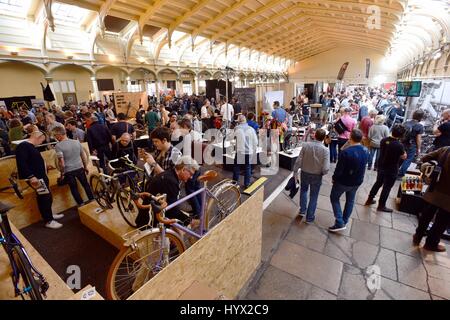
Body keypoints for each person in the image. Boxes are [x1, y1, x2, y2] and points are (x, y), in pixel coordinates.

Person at [15, 130, 63, 229]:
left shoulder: (30, 146)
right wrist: (31, 176)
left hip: (40, 177)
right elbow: (21, 163)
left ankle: (49, 214)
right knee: (44, 197)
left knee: (46, 196)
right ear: (39, 137)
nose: (41, 143)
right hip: (35, 178)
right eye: (42, 140)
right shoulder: (23, 146)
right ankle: (48, 220)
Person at [135, 156, 200, 228]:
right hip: (151, 222)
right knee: (180, 230)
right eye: (190, 174)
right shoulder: (171, 182)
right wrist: (189, 221)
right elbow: (172, 210)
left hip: (149, 215)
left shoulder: (170, 173)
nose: (191, 177)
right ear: (183, 169)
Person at [329, 129, 368, 232]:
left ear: (350, 138)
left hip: (343, 181)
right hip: (357, 181)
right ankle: (344, 221)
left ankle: (339, 222)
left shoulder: (346, 152)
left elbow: (339, 169)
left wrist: (334, 178)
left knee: (334, 198)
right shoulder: (365, 150)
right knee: (350, 201)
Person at [413, 146, 450, 252]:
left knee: (426, 215)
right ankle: (431, 244)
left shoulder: (445, 149)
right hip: (448, 197)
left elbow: (425, 158)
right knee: (441, 221)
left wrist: (435, 165)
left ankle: (418, 236)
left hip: (434, 190)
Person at [365, 124, 407, 212]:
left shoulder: (384, 140)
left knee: (378, 183)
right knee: (387, 187)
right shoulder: (399, 145)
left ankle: (369, 199)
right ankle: (381, 206)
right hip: (391, 169)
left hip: (381, 166)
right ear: (401, 135)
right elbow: (404, 157)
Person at [293, 129, 330, 223]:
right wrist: (322, 173)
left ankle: (302, 210)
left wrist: (295, 171)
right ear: (324, 138)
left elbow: (298, 160)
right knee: (314, 196)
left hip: (305, 172)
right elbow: (326, 168)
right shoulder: (325, 150)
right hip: (317, 175)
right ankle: (309, 218)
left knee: (304, 191)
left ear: (315, 136)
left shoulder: (306, 145)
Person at [53, 127, 94, 206]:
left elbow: (62, 162)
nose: (55, 138)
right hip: (79, 167)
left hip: (69, 171)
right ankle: (92, 199)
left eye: (55, 136)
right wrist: (85, 167)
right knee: (86, 185)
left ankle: (81, 204)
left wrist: (62, 173)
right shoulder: (76, 142)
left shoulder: (58, 146)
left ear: (59, 135)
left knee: (74, 188)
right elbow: (83, 156)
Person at [232, 115, 258, 189]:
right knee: (247, 167)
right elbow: (255, 142)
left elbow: (233, 138)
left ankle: (234, 183)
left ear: (239, 121)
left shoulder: (236, 129)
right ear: (245, 120)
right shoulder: (251, 129)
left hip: (240, 151)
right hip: (248, 151)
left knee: (237, 167)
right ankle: (247, 184)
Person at [398, 110, 425, 178]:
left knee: (400, 158)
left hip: (403, 143)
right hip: (412, 145)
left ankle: (395, 171)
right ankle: (400, 175)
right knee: (407, 160)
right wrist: (418, 149)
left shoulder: (406, 123)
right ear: (421, 117)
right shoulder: (420, 126)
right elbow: (418, 139)